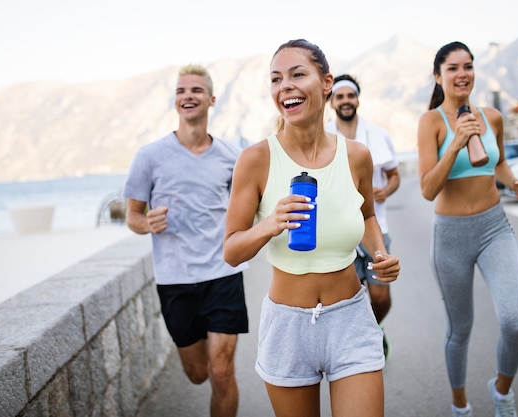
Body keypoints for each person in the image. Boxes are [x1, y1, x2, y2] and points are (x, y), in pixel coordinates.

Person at [223, 39, 400, 417]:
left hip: (351, 319)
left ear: (326, 84)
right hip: (287, 328)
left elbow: (368, 215)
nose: (284, 85)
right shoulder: (255, 160)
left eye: (297, 74)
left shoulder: (357, 157)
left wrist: (380, 255)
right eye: (275, 79)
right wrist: (269, 225)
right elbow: (231, 249)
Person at [123, 64, 249, 417]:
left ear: (211, 99)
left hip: (222, 272)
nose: (187, 96)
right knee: (198, 373)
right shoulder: (149, 156)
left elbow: (245, 211)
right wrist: (146, 223)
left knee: (221, 371)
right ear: (175, 102)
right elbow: (132, 216)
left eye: (195, 90)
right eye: (181, 91)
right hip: (175, 278)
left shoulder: (231, 156)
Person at [417, 41, 518, 417]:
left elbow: (497, 164)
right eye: (452, 68)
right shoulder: (430, 122)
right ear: (439, 76)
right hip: (450, 236)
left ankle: (502, 391)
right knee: (460, 329)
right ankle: (461, 405)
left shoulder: (493, 117)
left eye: (468, 66)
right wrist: (456, 143)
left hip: (494, 227)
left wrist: (513, 183)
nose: (462, 73)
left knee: (515, 322)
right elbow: (428, 189)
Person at [325, 74, 400, 359]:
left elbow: (394, 176)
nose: (345, 101)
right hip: (340, 234)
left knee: (381, 296)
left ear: (357, 99)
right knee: (348, 298)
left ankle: (374, 326)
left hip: (375, 228)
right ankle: (361, 344)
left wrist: (385, 191)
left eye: (350, 96)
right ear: (331, 101)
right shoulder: (324, 137)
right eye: (339, 96)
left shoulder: (378, 135)